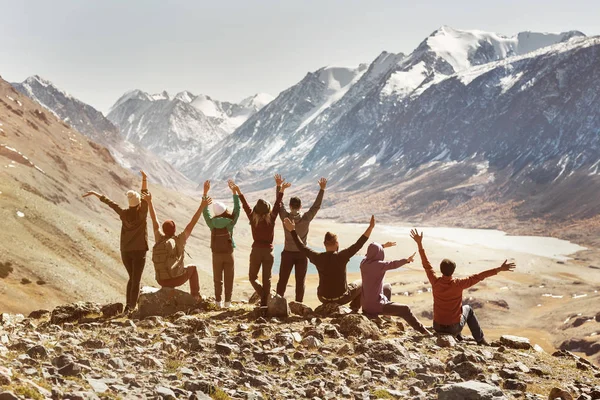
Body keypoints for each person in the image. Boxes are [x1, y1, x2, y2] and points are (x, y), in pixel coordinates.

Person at [410, 229, 516, 344]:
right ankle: (480, 340)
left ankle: (459, 337)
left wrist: (419, 243)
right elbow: (479, 276)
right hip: (453, 328)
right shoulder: (459, 284)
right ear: (453, 271)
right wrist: (499, 269)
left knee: (459, 308)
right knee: (468, 309)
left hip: (437, 326)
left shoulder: (434, 281)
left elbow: (426, 265)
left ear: (441, 269)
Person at [82, 170, 149, 314]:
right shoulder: (142, 213)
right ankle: (130, 308)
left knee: (132, 278)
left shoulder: (123, 213)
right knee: (136, 280)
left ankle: (128, 306)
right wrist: (144, 180)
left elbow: (110, 204)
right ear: (138, 204)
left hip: (125, 251)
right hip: (139, 251)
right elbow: (144, 196)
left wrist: (96, 194)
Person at [283, 215, 376, 312]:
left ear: (324, 244)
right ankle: (354, 308)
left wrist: (292, 230)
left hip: (323, 298)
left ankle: (349, 308)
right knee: (362, 282)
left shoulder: (317, 257)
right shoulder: (342, 256)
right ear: (337, 244)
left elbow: (302, 247)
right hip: (341, 298)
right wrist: (370, 228)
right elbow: (359, 244)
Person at [146, 191, 210, 301]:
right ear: (174, 230)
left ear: (164, 230)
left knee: (168, 268)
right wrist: (202, 206)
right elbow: (192, 223)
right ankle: (195, 296)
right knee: (193, 269)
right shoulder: (179, 240)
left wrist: (149, 202)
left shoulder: (159, 238)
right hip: (176, 279)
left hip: (161, 280)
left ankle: (166, 293)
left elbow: (154, 220)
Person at [237, 177, 290, 307]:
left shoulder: (252, 218)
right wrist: (281, 189)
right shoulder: (271, 219)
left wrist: (239, 192)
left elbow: (245, 206)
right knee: (267, 280)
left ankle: (264, 298)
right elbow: (277, 205)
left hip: (256, 252)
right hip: (268, 252)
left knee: (252, 277)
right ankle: (266, 301)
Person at [360, 242, 431, 334]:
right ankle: (423, 331)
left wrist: (383, 246)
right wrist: (407, 260)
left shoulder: (364, 262)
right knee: (405, 309)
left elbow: (370, 253)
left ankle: (387, 316)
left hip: (365, 305)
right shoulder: (379, 265)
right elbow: (393, 264)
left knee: (387, 287)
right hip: (375, 305)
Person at [275, 175, 327, 303]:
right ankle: (299, 305)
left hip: (287, 253)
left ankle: (277, 303)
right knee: (300, 282)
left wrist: (279, 187)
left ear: (290, 205)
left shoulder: (285, 218)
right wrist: (322, 190)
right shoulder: (306, 218)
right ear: (300, 206)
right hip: (302, 254)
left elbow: (278, 204)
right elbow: (316, 207)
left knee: (282, 280)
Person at [202, 179, 241, 309]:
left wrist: (205, 193)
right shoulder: (230, 223)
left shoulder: (212, 224)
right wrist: (235, 193)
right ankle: (227, 303)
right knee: (229, 278)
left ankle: (218, 302)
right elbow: (237, 209)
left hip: (216, 254)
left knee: (217, 279)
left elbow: (205, 212)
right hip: (229, 254)